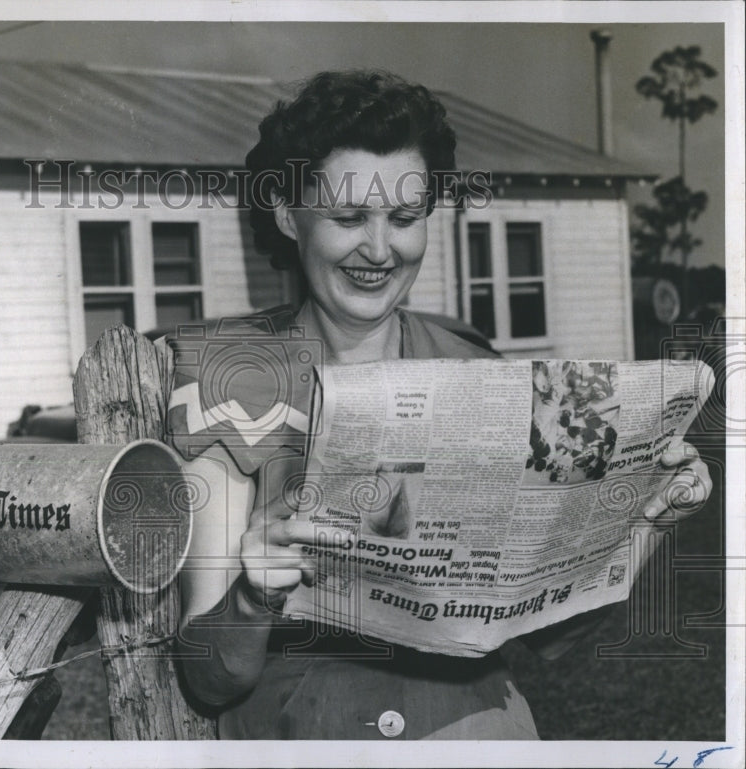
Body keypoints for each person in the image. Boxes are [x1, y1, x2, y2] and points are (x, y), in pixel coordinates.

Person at [165, 70, 713, 740]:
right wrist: (251, 598)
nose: (379, 248)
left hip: (480, 734)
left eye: (403, 218)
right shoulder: (225, 379)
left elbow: (558, 634)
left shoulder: (475, 367)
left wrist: (648, 521)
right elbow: (208, 674)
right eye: (347, 217)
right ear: (286, 212)